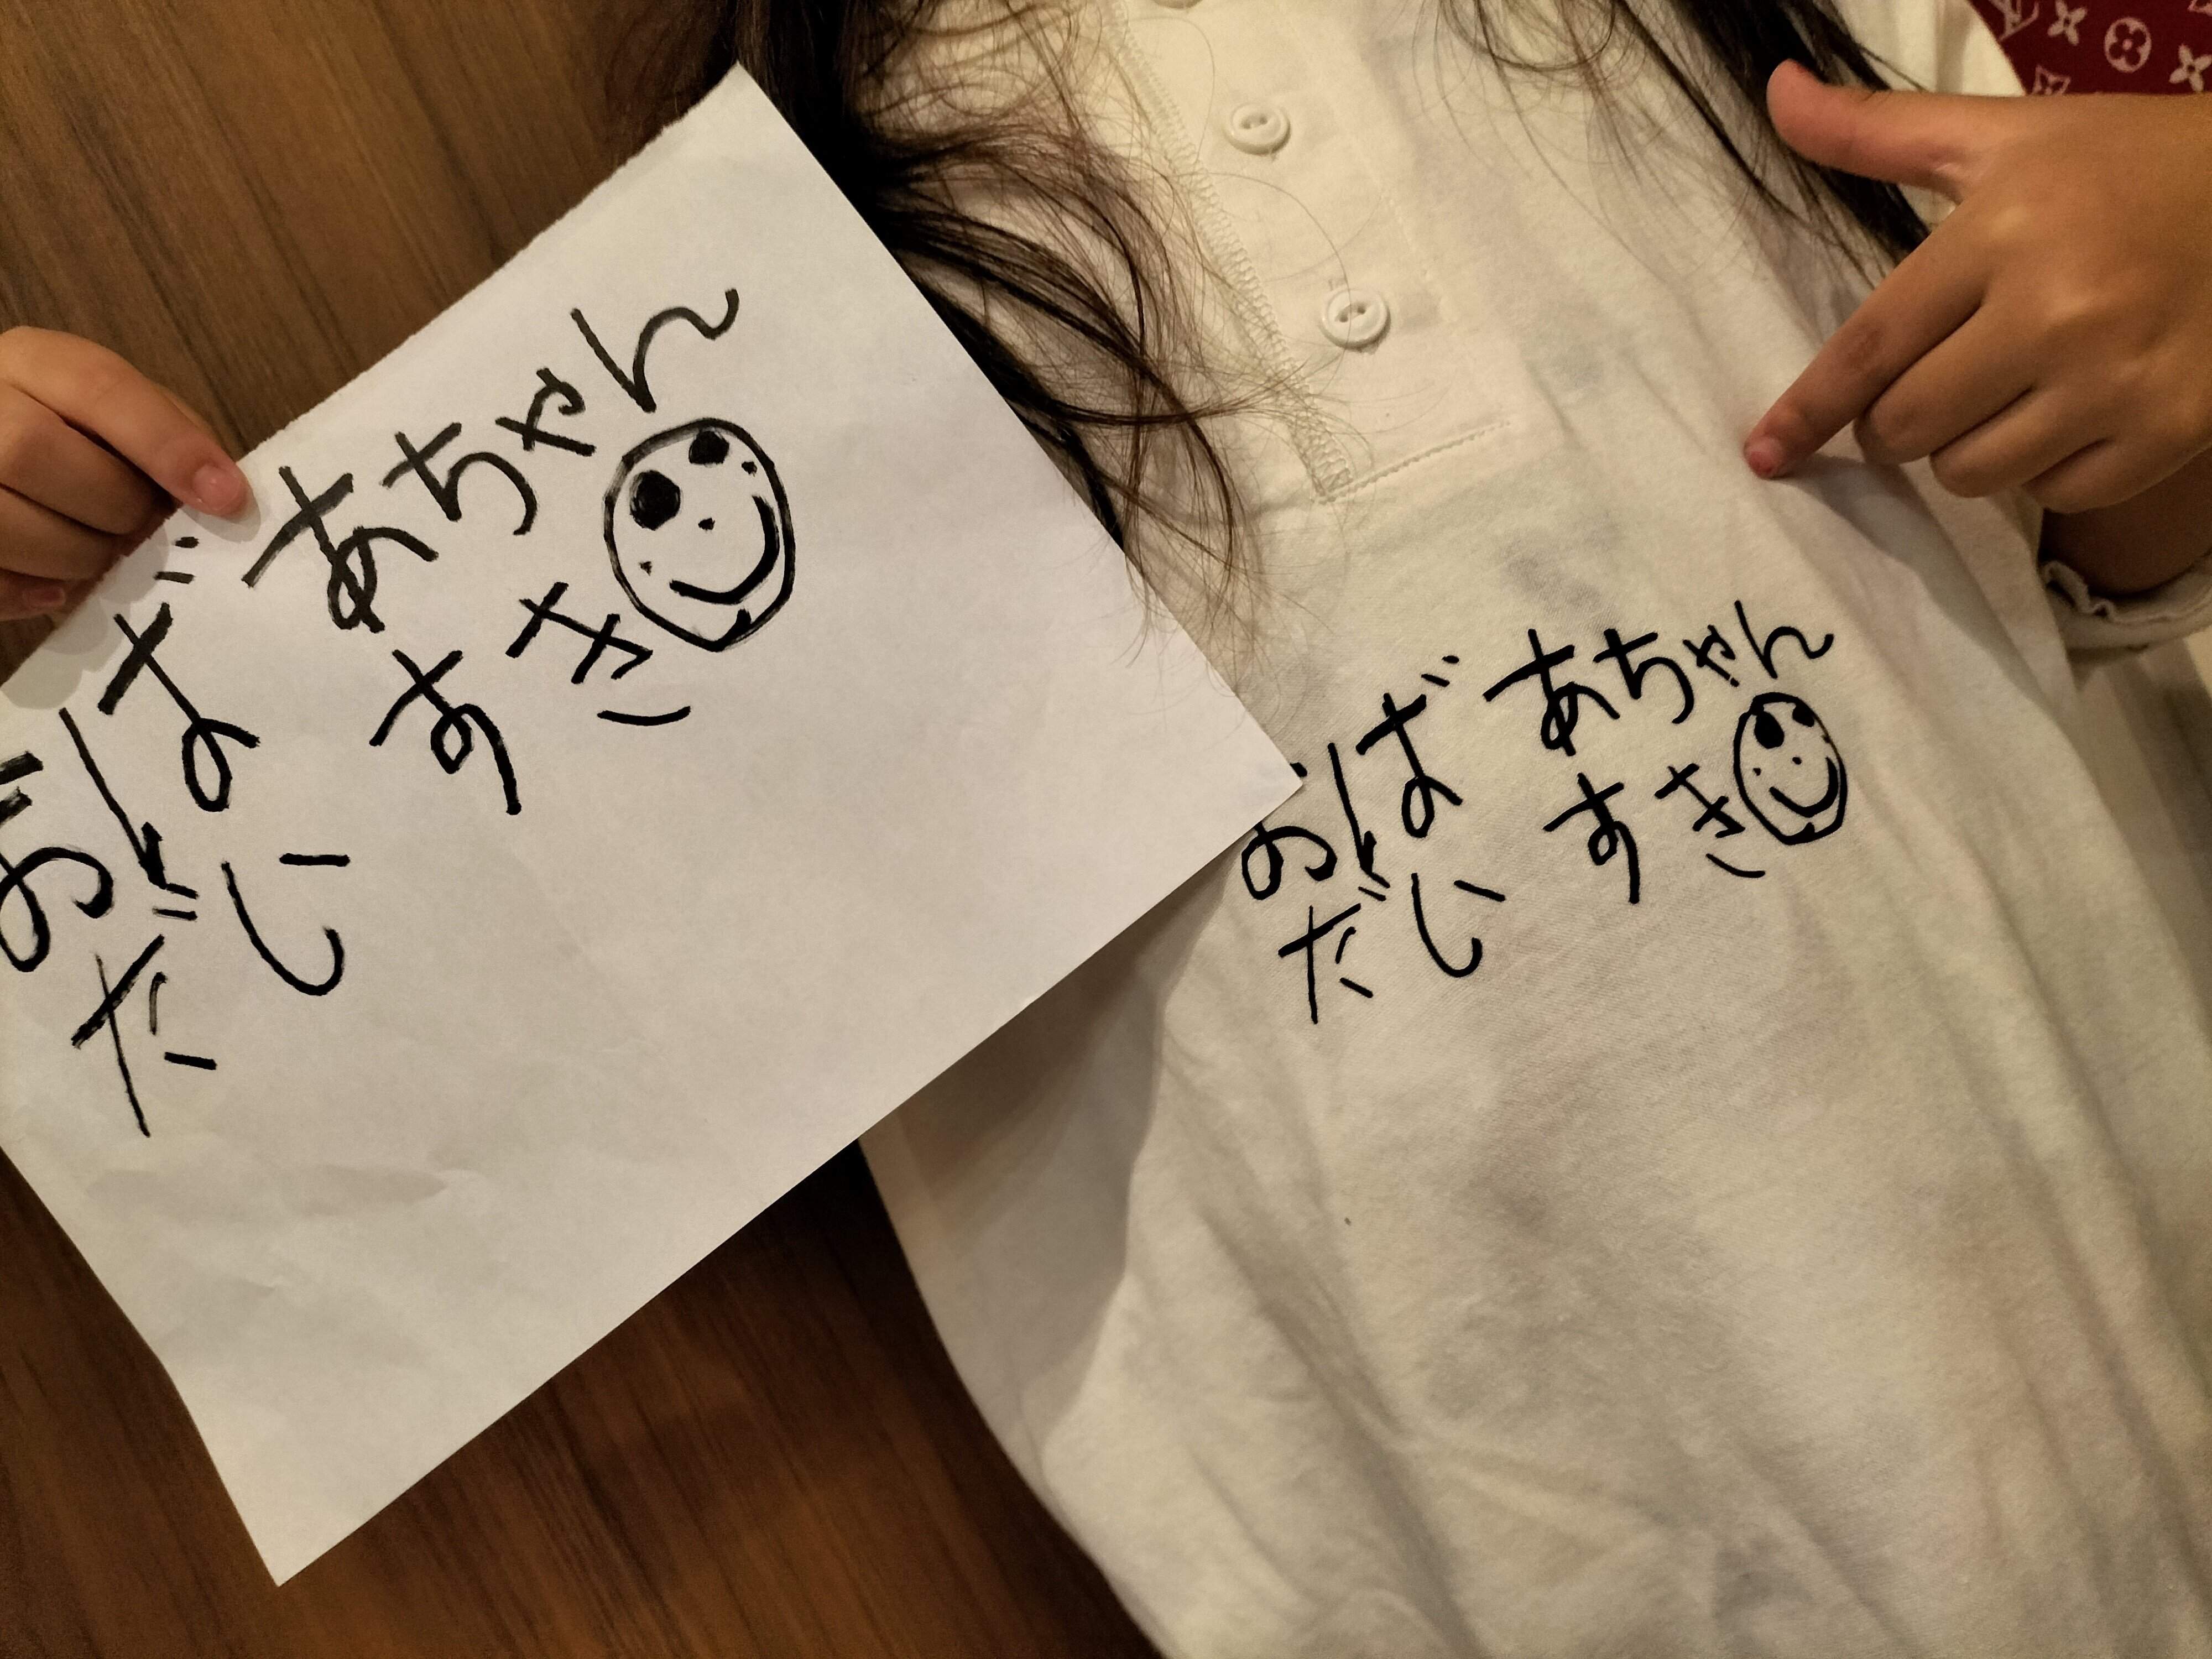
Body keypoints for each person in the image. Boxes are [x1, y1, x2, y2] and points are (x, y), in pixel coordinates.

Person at [5, 1, 2212, 1651]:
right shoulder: (742, 292)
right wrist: (75, 616)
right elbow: (410, 992)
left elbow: (2121, 572)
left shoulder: (1784, 26)